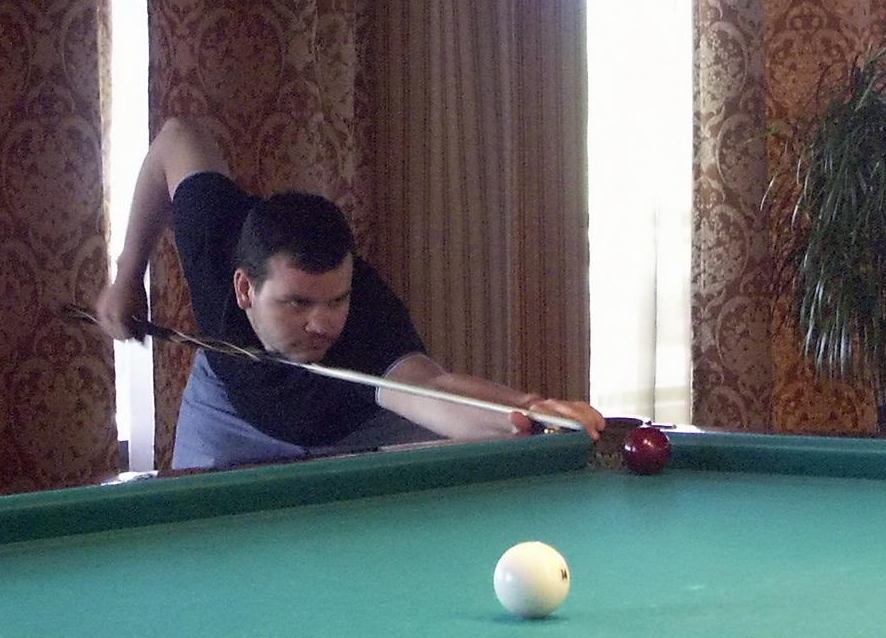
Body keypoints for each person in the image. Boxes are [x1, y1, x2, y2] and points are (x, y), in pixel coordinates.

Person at [97, 118, 604, 469]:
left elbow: (430, 390)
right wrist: (127, 277)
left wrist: (530, 410)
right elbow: (177, 138)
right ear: (245, 288)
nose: (323, 323)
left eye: (335, 300)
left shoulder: (370, 316)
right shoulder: (215, 236)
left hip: (356, 426)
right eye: (297, 303)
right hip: (230, 410)